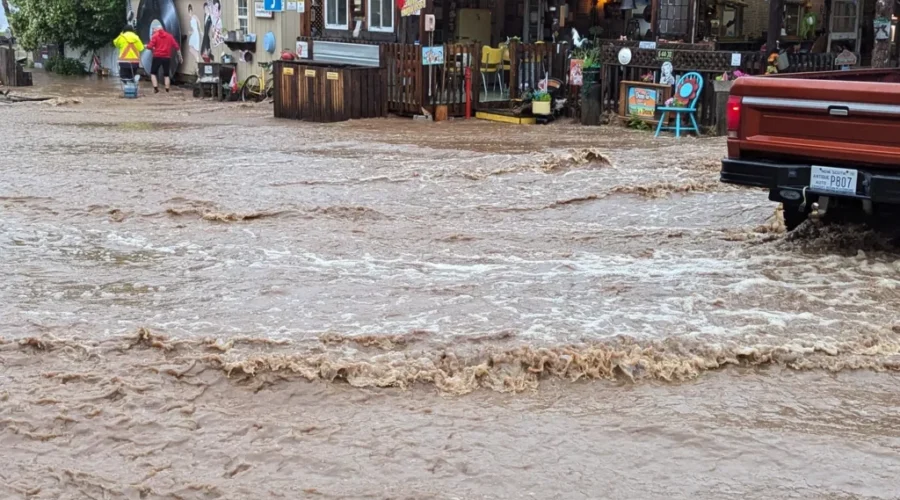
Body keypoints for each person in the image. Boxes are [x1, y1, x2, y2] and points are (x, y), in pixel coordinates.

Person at [145, 24, 181, 93]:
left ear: (157, 29)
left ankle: (155, 88)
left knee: (153, 73)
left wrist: (146, 46)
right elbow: (176, 46)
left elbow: (150, 46)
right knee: (166, 74)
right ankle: (167, 89)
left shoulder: (155, 36)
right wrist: (180, 56)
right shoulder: (169, 36)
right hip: (167, 57)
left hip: (157, 56)